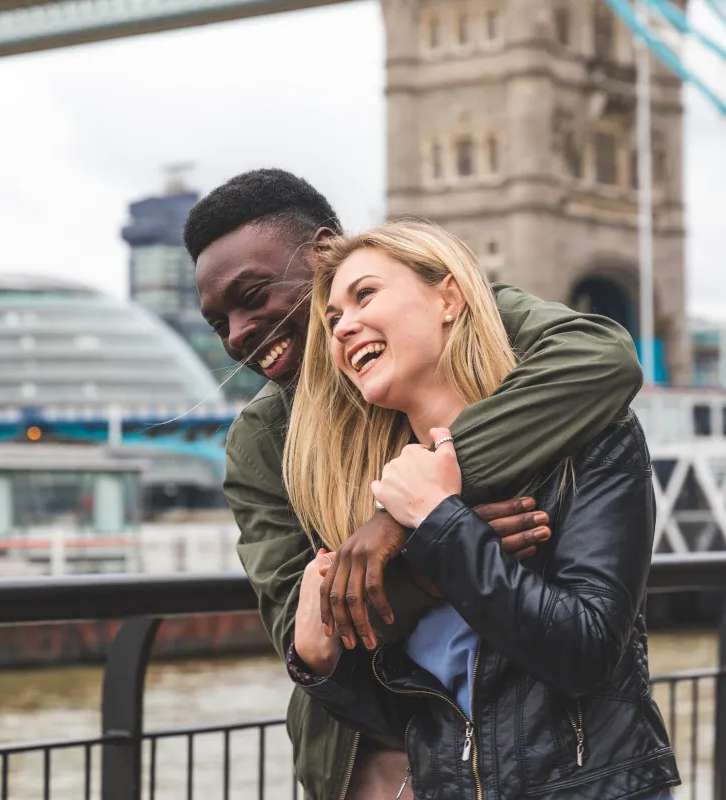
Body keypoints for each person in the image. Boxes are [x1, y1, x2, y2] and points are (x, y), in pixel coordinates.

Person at [186, 169, 644, 799]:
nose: (237, 334)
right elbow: (311, 635)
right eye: (219, 324)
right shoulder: (263, 438)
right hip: (371, 753)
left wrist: (408, 516)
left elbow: (605, 359)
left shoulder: (465, 315)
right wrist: (434, 550)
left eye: (253, 294)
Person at [284, 220, 678, 799]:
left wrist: (440, 521)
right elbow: (405, 721)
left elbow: (585, 653)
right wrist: (317, 664)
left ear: (448, 298)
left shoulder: (592, 438)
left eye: (364, 295)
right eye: (333, 318)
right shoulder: (377, 494)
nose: (343, 326)